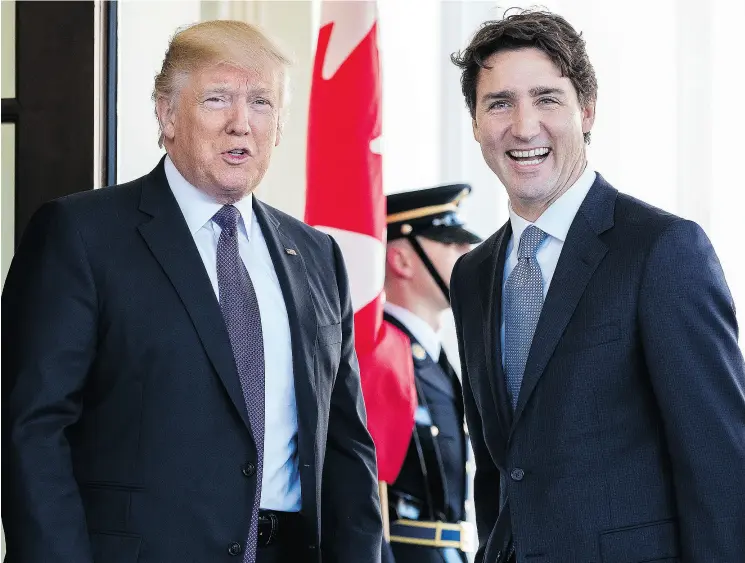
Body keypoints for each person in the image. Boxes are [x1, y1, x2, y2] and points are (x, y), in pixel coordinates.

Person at [2, 20, 382, 563]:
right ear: (166, 114)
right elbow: (33, 432)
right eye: (216, 99)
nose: (240, 124)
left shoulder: (317, 256)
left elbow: (347, 445)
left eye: (261, 102)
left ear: (278, 126)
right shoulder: (81, 235)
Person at [448, 9, 745, 563]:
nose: (524, 125)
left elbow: (721, 467)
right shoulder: (473, 273)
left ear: (585, 111)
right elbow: (498, 468)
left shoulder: (662, 251)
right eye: (499, 103)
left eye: (547, 98)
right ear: (475, 122)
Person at [381, 185, 480, 563]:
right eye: (452, 243)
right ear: (402, 261)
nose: (467, 253)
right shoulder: (379, 355)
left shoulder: (433, 356)